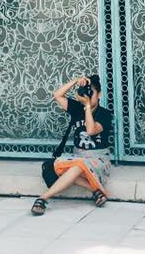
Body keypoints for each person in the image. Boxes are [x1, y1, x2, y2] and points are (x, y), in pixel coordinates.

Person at [31, 74, 112, 215]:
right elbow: (57, 95)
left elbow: (91, 130)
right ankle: (96, 190)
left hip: (98, 160)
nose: (87, 95)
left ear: (99, 94)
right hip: (78, 157)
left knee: (76, 166)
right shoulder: (76, 108)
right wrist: (76, 81)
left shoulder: (104, 114)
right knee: (60, 166)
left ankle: (44, 198)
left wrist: (87, 107)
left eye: (90, 93)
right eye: (85, 92)